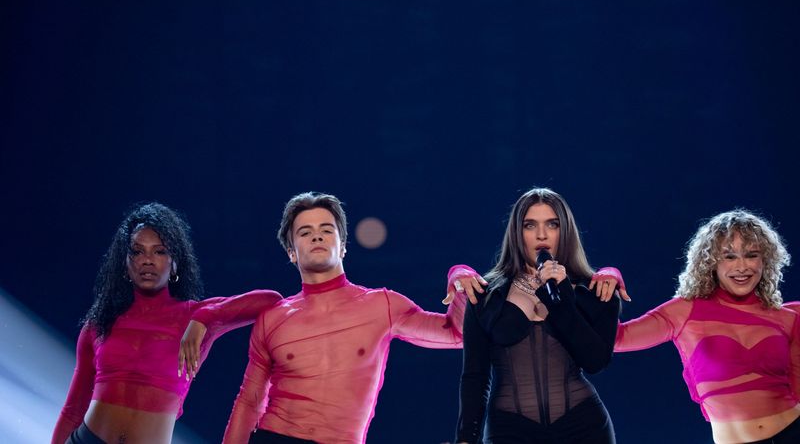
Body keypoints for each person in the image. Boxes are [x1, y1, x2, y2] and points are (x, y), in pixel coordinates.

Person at [220, 192, 486, 444]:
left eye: (326, 230)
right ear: (291, 252)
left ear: (343, 246)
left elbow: (457, 335)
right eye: (305, 232)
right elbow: (249, 401)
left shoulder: (382, 305)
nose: (317, 237)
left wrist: (459, 275)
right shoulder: (273, 318)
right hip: (275, 437)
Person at [51, 202, 283, 444]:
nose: (148, 260)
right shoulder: (99, 323)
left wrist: (203, 319)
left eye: (160, 251)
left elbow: (270, 300)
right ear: (125, 263)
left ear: (175, 264)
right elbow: (73, 410)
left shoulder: (195, 315)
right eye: (137, 251)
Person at [614, 209, 800, 443]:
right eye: (729, 256)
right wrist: (609, 277)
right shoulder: (684, 311)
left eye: (752, 255)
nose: (742, 266)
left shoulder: (788, 317)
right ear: (710, 262)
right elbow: (615, 339)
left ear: (766, 261)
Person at [455, 187, 620, 444]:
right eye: (530, 225)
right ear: (516, 233)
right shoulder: (486, 295)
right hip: (509, 430)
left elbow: (595, 362)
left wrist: (563, 298)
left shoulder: (595, 291)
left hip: (584, 427)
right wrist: (466, 439)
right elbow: (475, 376)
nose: (541, 235)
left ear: (564, 230)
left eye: (552, 224)